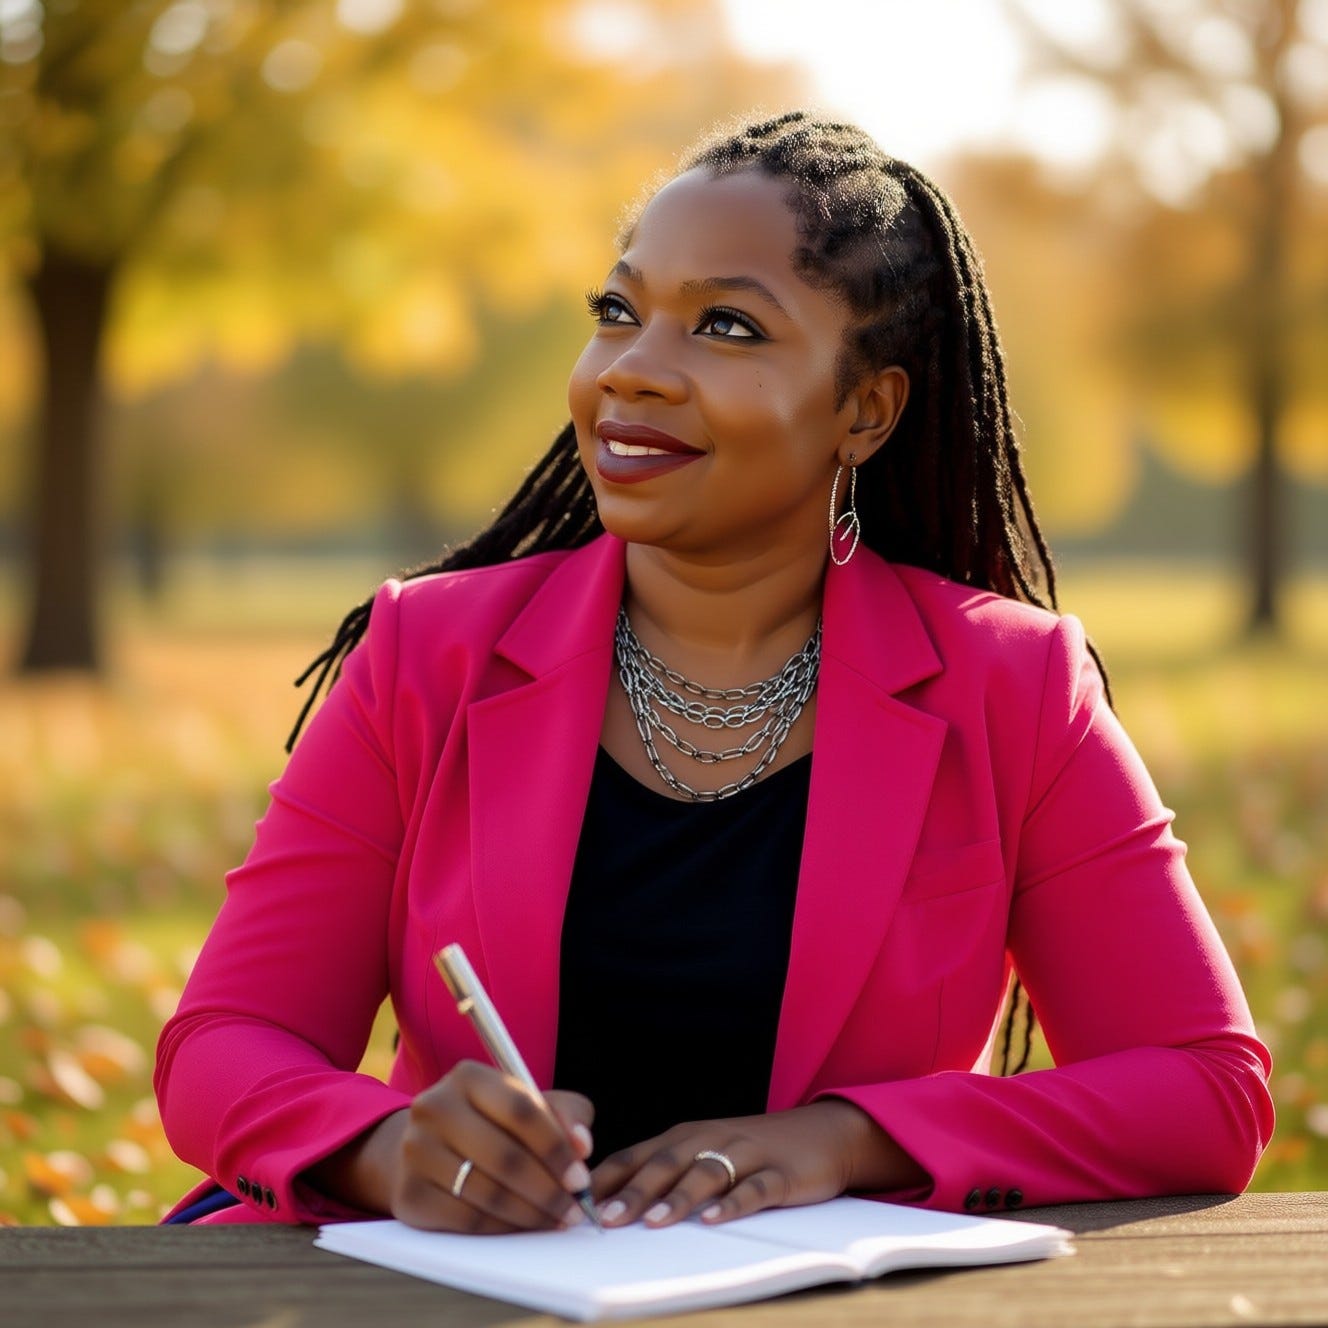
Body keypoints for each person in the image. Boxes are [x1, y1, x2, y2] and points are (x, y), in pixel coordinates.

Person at [154, 112, 1273, 1231]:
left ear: (863, 410)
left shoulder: (1011, 686)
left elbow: (1201, 1091)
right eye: (617, 312)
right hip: (447, 1288)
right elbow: (224, 1041)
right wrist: (389, 1148)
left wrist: (846, 1140)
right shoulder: (428, 655)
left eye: (727, 326)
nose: (633, 370)